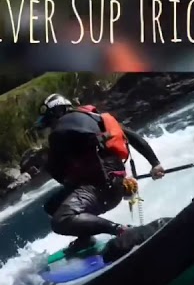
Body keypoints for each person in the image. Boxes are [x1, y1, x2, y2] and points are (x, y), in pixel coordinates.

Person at [34, 93, 166, 252]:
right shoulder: (98, 119)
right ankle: (85, 238)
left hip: (100, 190)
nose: (51, 126)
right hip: (117, 186)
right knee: (53, 205)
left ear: (58, 113)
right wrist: (155, 164)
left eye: (50, 122)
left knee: (61, 220)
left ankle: (121, 230)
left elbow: (59, 174)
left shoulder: (58, 133)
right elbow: (134, 138)